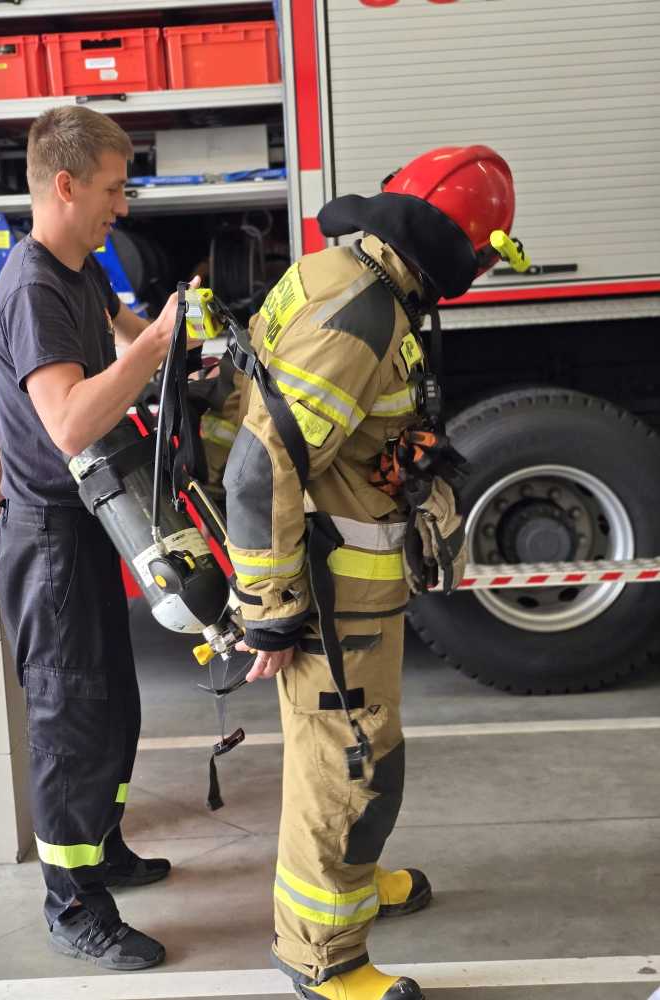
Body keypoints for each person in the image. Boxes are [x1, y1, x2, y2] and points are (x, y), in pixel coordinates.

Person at [219, 146, 520, 1000]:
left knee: (357, 755)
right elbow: (259, 468)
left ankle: (354, 883)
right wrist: (272, 608)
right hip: (331, 594)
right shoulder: (363, 312)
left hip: (351, 586)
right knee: (346, 769)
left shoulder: (341, 272)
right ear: (463, 246)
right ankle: (322, 955)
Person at [0, 106, 199, 971]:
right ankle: (73, 905)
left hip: (87, 526)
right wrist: (153, 349)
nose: (124, 204)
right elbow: (71, 422)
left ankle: (102, 849)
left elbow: (127, 335)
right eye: (114, 189)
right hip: (48, 542)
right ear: (67, 185)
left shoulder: (79, 269)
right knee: (69, 723)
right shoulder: (34, 288)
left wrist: (181, 351)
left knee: (113, 704)